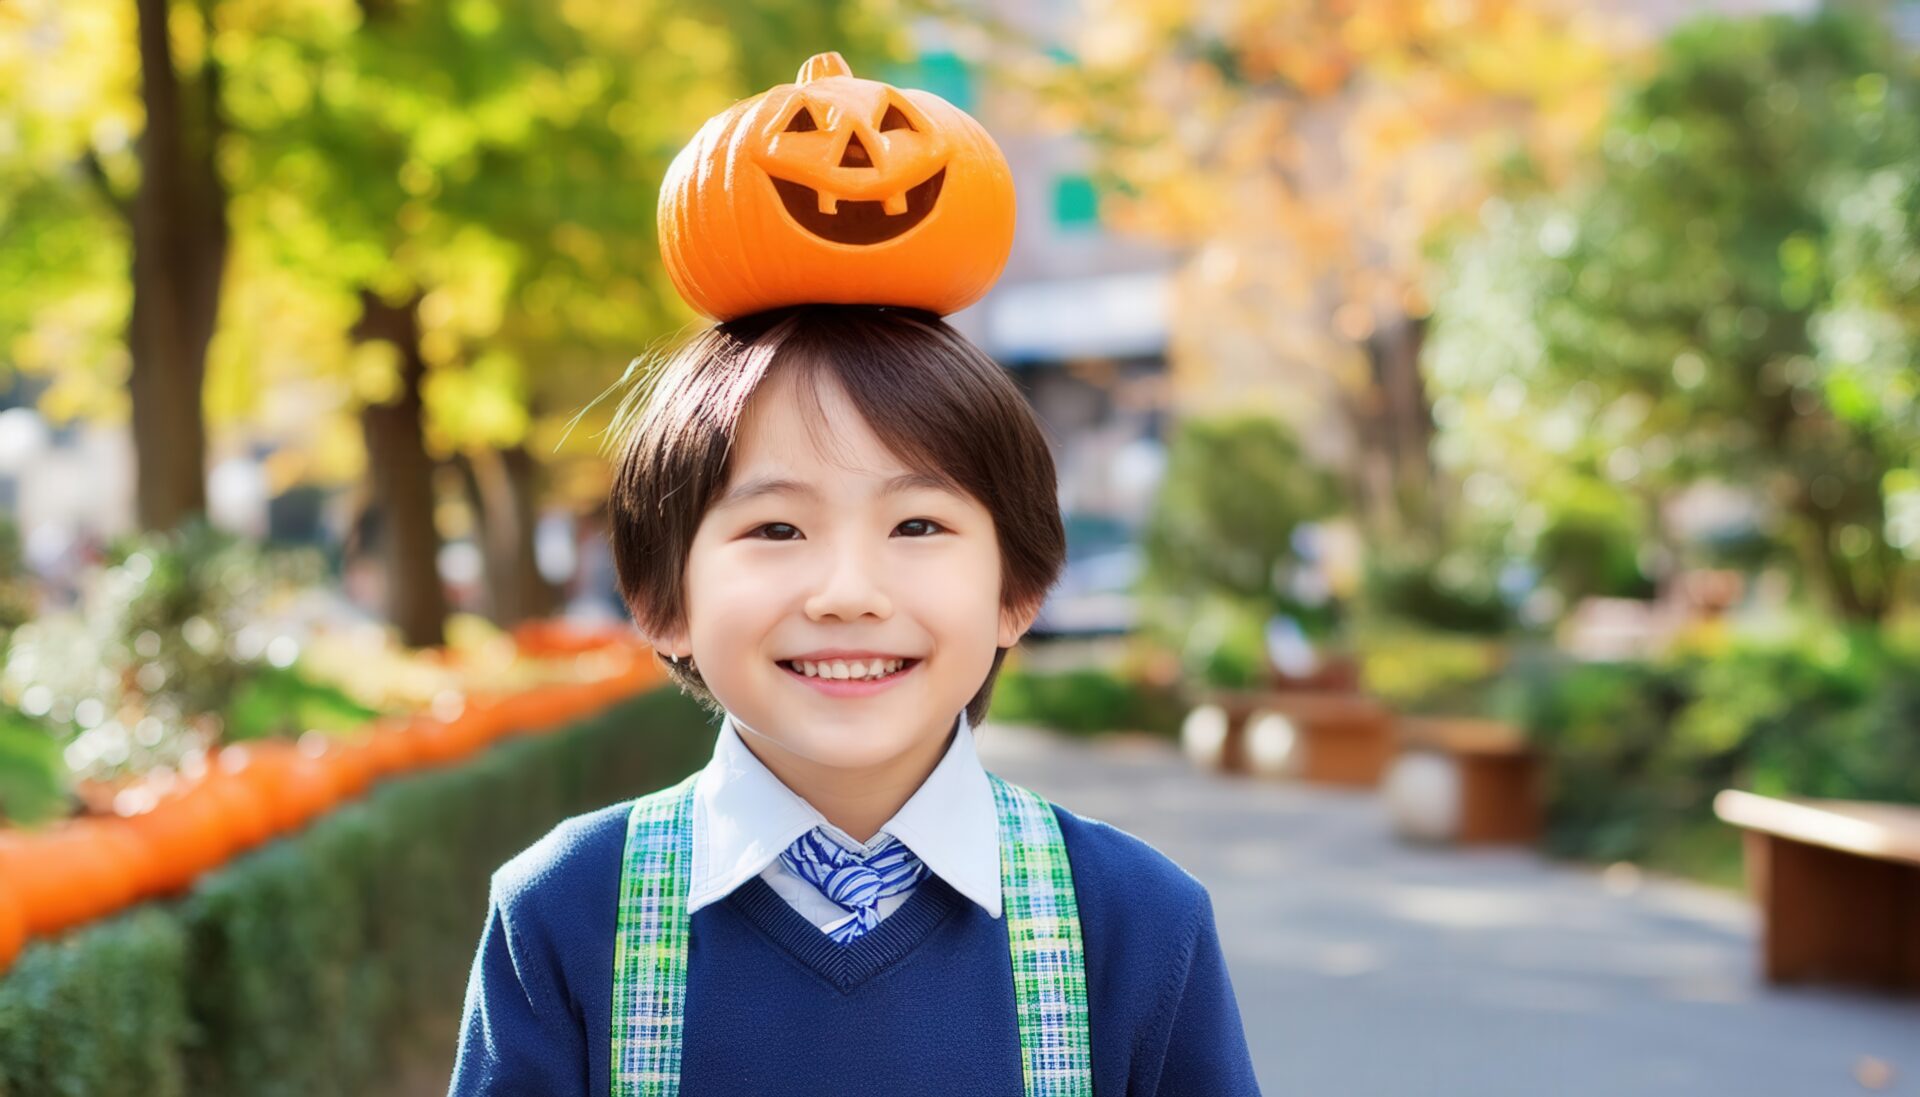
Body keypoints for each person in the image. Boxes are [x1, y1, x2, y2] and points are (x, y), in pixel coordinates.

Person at [447, 51, 1260, 1097]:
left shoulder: (1138, 924)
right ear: (661, 597)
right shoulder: (566, 913)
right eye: (777, 529)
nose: (847, 588)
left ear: (1020, 585)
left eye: (918, 523)